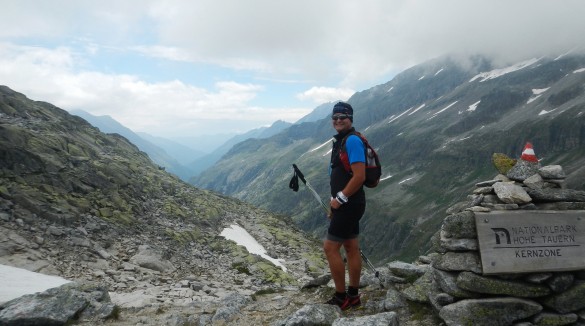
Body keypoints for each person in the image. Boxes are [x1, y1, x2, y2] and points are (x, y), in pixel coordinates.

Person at [324, 101, 366, 310]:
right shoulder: (341, 140)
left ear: (350, 119)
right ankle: (354, 296)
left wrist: (338, 200)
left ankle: (341, 298)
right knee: (351, 247)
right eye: (335, 118)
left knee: (330, 248)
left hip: (349, 204)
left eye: (343, 117)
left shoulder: (352, 141)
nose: (338, 120)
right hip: (349, 204)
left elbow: (360, 176)